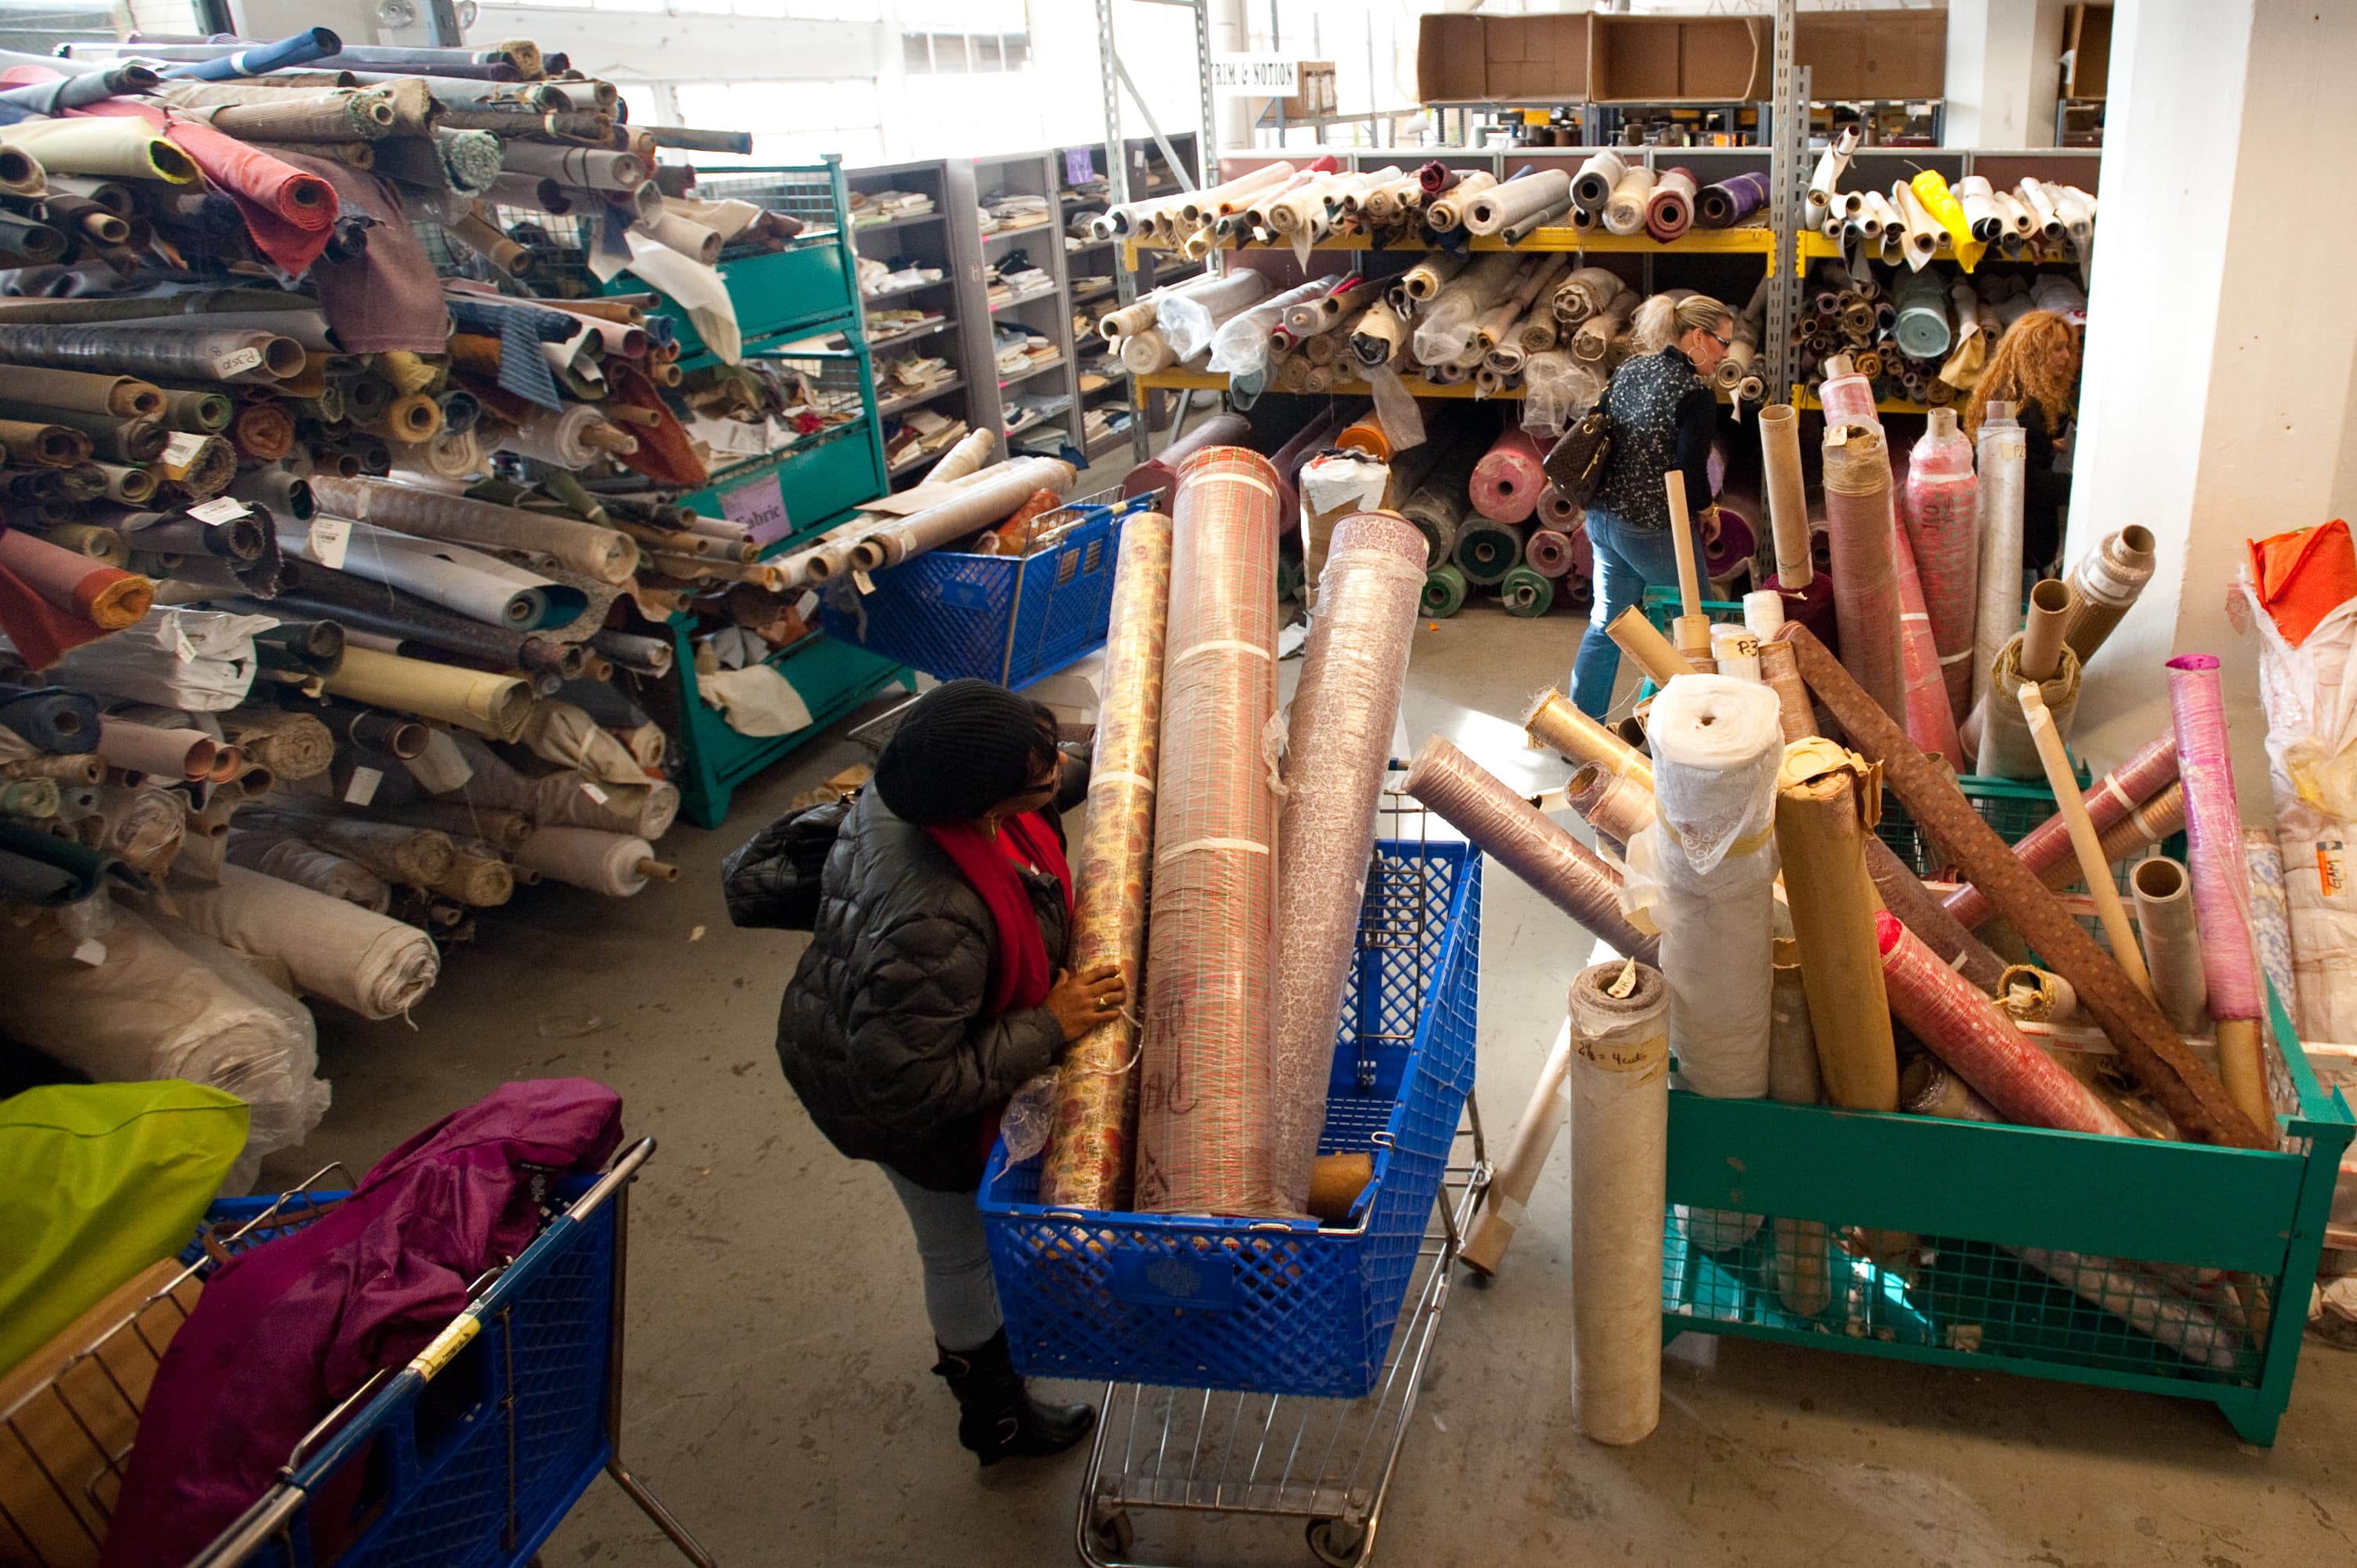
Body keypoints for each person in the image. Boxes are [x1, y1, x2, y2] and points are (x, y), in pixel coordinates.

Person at [771, 679, 1127, 1466]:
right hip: (893, 1101)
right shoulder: (935, 918)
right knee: (959, 1248)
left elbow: (1054, 778)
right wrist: (1051, 1023)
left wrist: (1124, 753)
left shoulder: (919, 790)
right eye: (1035, 766)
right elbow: (916, 1084)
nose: (1052, 770)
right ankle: (995, 1417)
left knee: (976, 1243)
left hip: (888, 1036)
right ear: (983, 797)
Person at [1567, 291, 1735, 716]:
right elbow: (1689, 474)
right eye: (1722, 342)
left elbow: (1598, 428)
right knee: (1700, 625)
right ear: (1696, 336)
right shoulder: (1695, 394)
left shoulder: (1630, 368)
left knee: (1607, 627)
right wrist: (1708, 511)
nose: (1725, 354)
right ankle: (1702, 730)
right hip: (1652, 529)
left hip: (1603, 520)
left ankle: (1579, 732)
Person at [1961, 309, 2080, 573]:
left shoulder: (2013, 391)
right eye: (2058, 349)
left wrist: (2050, 446)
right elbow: (2027, 482)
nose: (2067, 356)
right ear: (2034, 354)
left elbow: (2018, 455)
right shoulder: (2023, 409)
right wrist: (2083, 487)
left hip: (2013, 526)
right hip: (2022, 535)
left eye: (2067, 348)